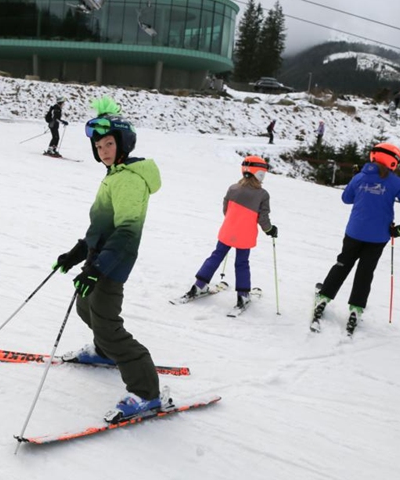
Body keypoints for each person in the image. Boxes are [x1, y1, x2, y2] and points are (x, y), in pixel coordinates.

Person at [52, 96, 170, 423]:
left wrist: (97, 268)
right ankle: (105, 353)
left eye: (109, 144)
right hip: (99, 257)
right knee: (85, 305)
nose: (103, 150)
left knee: (106, 323)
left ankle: (147, 392)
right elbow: (102, 225)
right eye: (99, 145)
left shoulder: (130, 179)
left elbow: (126, 233)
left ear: (123, 144)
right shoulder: (114, 174)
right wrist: (78, 253)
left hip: (114, 262)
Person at [312, 143, 400, 335]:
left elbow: (346, 198)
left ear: (373, 156)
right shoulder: (396, 183)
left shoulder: (360, 176)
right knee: (365, 272)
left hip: (354, 231)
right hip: (378, 237)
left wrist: (357, 182)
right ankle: (356, 309)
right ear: (393, 162)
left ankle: (324, 297)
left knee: (342, 264)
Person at [183, 156, 277, 309]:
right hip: (244, 236)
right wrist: (270, 230)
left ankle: (199, 285)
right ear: (259, 173)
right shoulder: (262, 194)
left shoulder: (233, 188)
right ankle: (243, 296)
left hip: (228, 232)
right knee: (241, 263)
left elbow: (226, 211)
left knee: (216, 255)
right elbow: (263, 218)